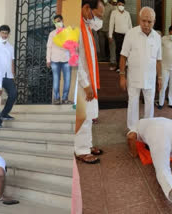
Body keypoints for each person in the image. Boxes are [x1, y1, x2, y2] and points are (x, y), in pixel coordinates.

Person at [119, 7, 162, 131]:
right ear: (139, 19)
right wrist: (122, 75)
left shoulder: (157, 37)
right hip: (134, 77)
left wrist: (160, 77)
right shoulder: (131, 34)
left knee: (149, 105)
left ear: (154, 22)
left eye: (150, 22)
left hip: (150, 78)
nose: (146, 24)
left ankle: (147, 130)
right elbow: (123, 56)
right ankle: (133, 130)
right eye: (144, 21)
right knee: (133, 104)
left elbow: (158, 60)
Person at [75, 0, 104, 164]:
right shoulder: (76, 27)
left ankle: (87, 144)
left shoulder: (86, 25)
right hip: (81, 82)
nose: (99, 20)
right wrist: (85, 84)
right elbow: (74, 59)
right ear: (86, 9)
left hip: (89, 79)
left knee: (90, 115)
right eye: (98, 15)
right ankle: (81, 150)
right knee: (83, 116)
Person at [0, 25, 17, 128]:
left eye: (6, 33)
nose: (4, 35)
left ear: (8, 34)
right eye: (2, 33)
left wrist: (13, 74)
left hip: (8, 76)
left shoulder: (10, 47)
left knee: (14, 93)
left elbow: (12, 60)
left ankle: (4, 113)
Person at [46, 15, 73, 105]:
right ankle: (57, 98)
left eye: (59, 21)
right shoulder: (52, 33)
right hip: (55, 60)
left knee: (67, 80)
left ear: (62, 20)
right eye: (55, 22)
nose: (58, 23)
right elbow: (49, 47)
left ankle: (65, 99)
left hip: (66, 59)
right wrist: (48, 60)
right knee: (56, 79)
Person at [109, 0, 132, 72]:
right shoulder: (114, 13)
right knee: (118, 51)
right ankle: (119, 67)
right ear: (117, 5)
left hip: (126, 35)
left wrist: (131, 35)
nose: (121, 6)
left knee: (127, 50)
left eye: (122, 5)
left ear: (124, 5)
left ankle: (127, 65)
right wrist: (110, 35)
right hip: (117, 34)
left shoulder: (127, 13)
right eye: (119, 4)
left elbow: (130, 25)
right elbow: (111, 24)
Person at [97, 0, 117, 70]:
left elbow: (114, 19)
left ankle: (113, 60)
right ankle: (102, 58)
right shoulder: (98, 5)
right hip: (100, 29)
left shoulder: (111, 7)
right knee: (101, 45)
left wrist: (113, 30)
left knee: (112, 44)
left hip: (109, 29)